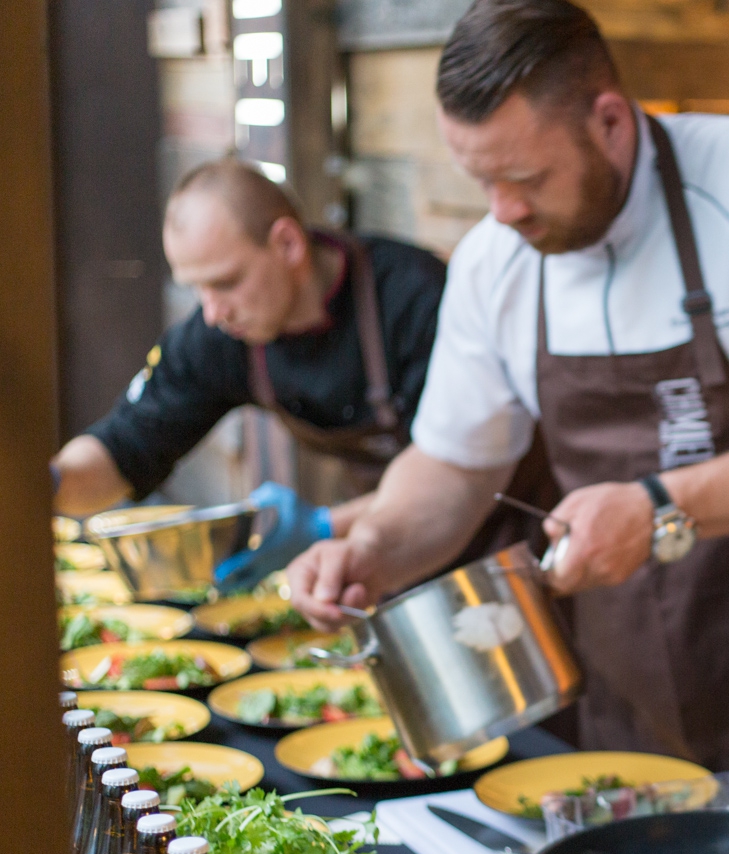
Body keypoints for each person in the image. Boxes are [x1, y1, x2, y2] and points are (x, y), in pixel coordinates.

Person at [286, 0, 729, 831]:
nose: (502, 210)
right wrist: (375, 545)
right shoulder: (497, 260)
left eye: (526, 178)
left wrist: (659, 506)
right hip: (636, 693)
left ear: (608, 121)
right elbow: (456, 464)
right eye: (482, 182)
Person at [52, 159, 448, 591]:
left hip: (481, 549)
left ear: (288, 244)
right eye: (197, 289)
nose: (212, 312)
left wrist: (324, 527)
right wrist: (46, 484)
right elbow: (123, 447)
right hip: (384, 554)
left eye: (225, 282)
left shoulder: (416, 296)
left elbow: (462, 468)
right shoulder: (220, 335)